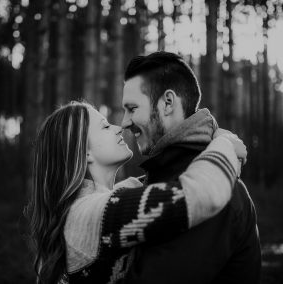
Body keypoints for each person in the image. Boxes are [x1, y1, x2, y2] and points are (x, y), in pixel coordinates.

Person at [25, 101, 246, 284]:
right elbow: (201, 193)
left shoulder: (86, 210)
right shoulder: (87, 215)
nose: (118, 127)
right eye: (104, 126)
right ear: (85, 153)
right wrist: (224, 143)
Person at [121, 51, 261, 284]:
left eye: (132, 108)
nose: (124, 122)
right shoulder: (162, 177)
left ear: (167, 103)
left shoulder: (215, 192)